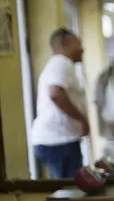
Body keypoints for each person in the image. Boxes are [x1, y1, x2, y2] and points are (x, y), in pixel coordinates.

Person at [30, 28, 89, 179]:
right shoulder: (62, 63)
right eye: (79, 44)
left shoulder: (60, 64)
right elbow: (55, 93)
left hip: (59, 140)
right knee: (69, 193)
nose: (82, 49)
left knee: (68, 191)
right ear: (67, 43)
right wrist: (82, 119)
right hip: (59, 142)